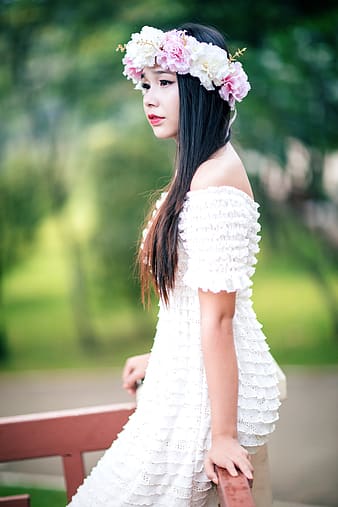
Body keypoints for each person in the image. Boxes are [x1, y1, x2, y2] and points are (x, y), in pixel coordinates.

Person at [68, 22, 280, 506]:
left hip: (206, 404)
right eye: (146, 84)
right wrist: (163, 359)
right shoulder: (202, 170)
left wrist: (223, 436)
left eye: (165, 82)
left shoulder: (216, 183)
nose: (149, 97)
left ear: (202, 87)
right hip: (184, 381)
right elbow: (191, 303)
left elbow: (221, 316)